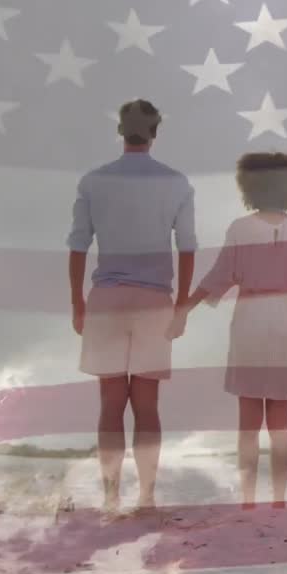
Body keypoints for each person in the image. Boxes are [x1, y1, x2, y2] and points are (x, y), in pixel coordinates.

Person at [183, 153, 287, 510]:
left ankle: (249, 500)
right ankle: (279, 500)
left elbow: (217, 278)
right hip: (285, 319)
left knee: (249, 419)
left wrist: (183, 311)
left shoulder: (240, 228)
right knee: (280, 420)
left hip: (251, 319)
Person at [68, 99, 195, 516]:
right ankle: (146, 497)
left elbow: (79, 245)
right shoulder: (176, 183)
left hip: (106, 298)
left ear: (120, 131)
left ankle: (109, 497)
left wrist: (77, 301)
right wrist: (181, 306)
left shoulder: (93, 181)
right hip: (154, 300)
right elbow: (188, 247)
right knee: (146, 404)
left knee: (110, 403)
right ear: (155, 131)